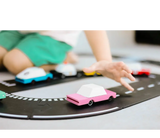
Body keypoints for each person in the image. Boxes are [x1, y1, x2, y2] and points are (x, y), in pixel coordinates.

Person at [0, 27, 135, 91]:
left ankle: (63, 56)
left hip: (54, 35)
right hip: (19, 29)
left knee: (13, 61)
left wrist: (104, 61)